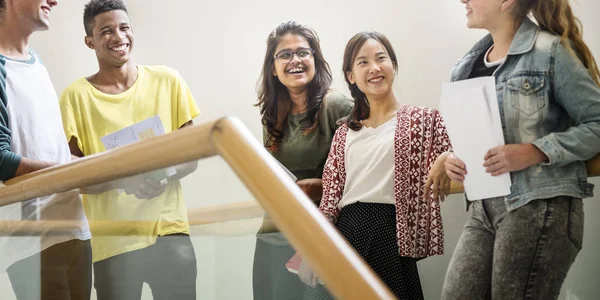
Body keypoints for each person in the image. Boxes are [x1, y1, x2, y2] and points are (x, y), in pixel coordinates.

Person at [440, 0, 600, 299]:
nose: (463, 0)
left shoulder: (551, 52)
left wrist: (536, 150)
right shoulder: (465, 67)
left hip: (539, 205)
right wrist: (454, 158)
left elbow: (597, 123)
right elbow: (483, 136)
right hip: (483, 209)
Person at [59, 0, 200, 299]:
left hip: (169, 233)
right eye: (106, 31)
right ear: (90, 41)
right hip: (113, 243)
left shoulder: (168, 80)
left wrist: (164, 177)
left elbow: (193, 154)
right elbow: (72, 175)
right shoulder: (75, 97)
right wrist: (122, 181)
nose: (118, 36)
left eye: (124, 27)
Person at [302, 31, 452, 300]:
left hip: (389, 234)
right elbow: (330, 198)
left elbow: (462, 164)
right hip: (346, 231)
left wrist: (447, 158)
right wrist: (315, 250)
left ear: (393, 65)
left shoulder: (424, 120)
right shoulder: (345, 132)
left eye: (381, 58)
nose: (374, 68)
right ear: (351, 76)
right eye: (362, 62)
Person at [253, 21, 353, 300]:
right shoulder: (271, 114)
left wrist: (318, 187)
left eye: (302, 53)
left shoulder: (337, 107)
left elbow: (363, 173)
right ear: (273, 68)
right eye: (285, 54)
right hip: (273, 235)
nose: (294, 60)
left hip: (318, 238)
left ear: (314, 60)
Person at [0, 0, 93, 299]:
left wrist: (92, 167)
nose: (54, 0)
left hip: (75, 231)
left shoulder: (37, 63)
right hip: (33, 243)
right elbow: (1, 160)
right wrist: (75, 171)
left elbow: (49, 151)